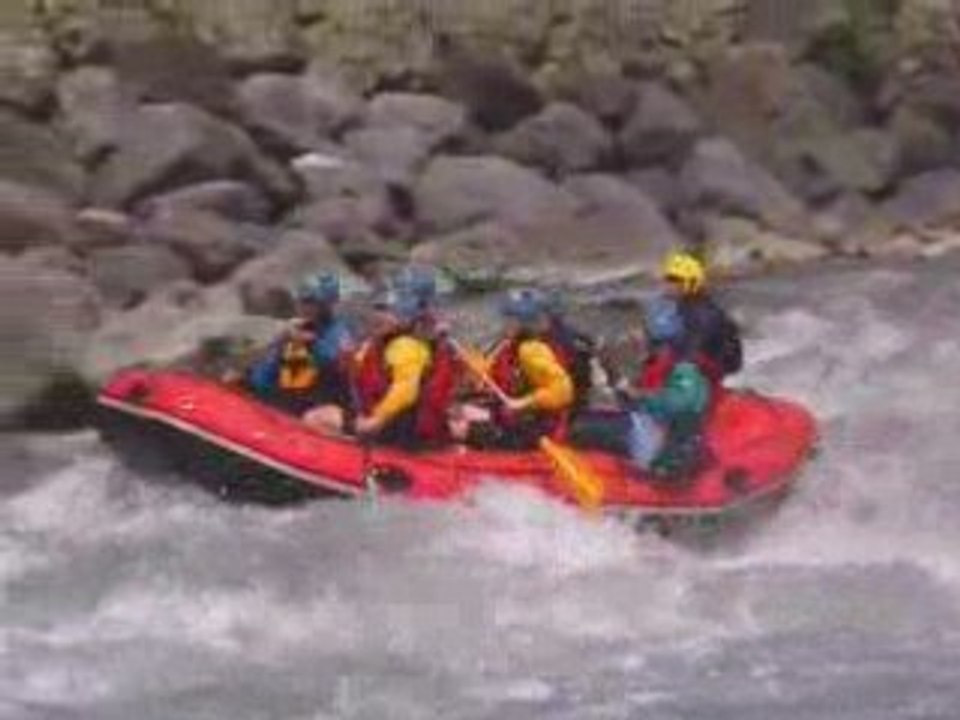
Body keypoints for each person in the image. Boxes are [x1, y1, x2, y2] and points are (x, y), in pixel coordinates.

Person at [573, 297, 712, 480]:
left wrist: (640, 397)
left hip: (657, 444)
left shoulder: (683, 371)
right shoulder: (657, 364)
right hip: (649, 429)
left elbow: (679, 404)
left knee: (578, 428)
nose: (637, 335)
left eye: (643, 332)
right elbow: (632, 397)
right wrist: (611, 374)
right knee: (588, 418)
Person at [455, 288, 578, 450]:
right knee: (459, 411)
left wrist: (523, 403)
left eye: (509, 318)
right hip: (510, 421)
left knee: (461, 423)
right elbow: (485, 376)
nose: (504, 323)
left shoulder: (531, 350)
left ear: (524, 322)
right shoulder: (507, 344)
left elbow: (563, 390)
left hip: (533, 429)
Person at [344, 286, 458, 447]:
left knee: (321, 417)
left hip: (403, 430)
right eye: (378, 310)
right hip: (392, 423)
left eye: (388, 312)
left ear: (405, 318)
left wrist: (376, 420)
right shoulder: (380, 344)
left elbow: (405, 390)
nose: (378, 316)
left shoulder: (406, 346)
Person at [240, 272, 354, 417]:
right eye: (303, 301)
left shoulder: (339, 333)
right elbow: (265, 372)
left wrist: (311, 343)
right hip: (285, 398)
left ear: (327, 305)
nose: (305, 307)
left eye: (312, 302)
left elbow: (333, 361)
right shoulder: (296, 329)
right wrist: (251, 385)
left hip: (316, 405)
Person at [659, 249, 742, 384]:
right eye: (668, 279)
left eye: (675, 280)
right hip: (697, 375)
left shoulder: (702, 314)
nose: (668, 285)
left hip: (702, 381)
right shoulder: (685, 308)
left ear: (691, 283)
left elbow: (692, 355)